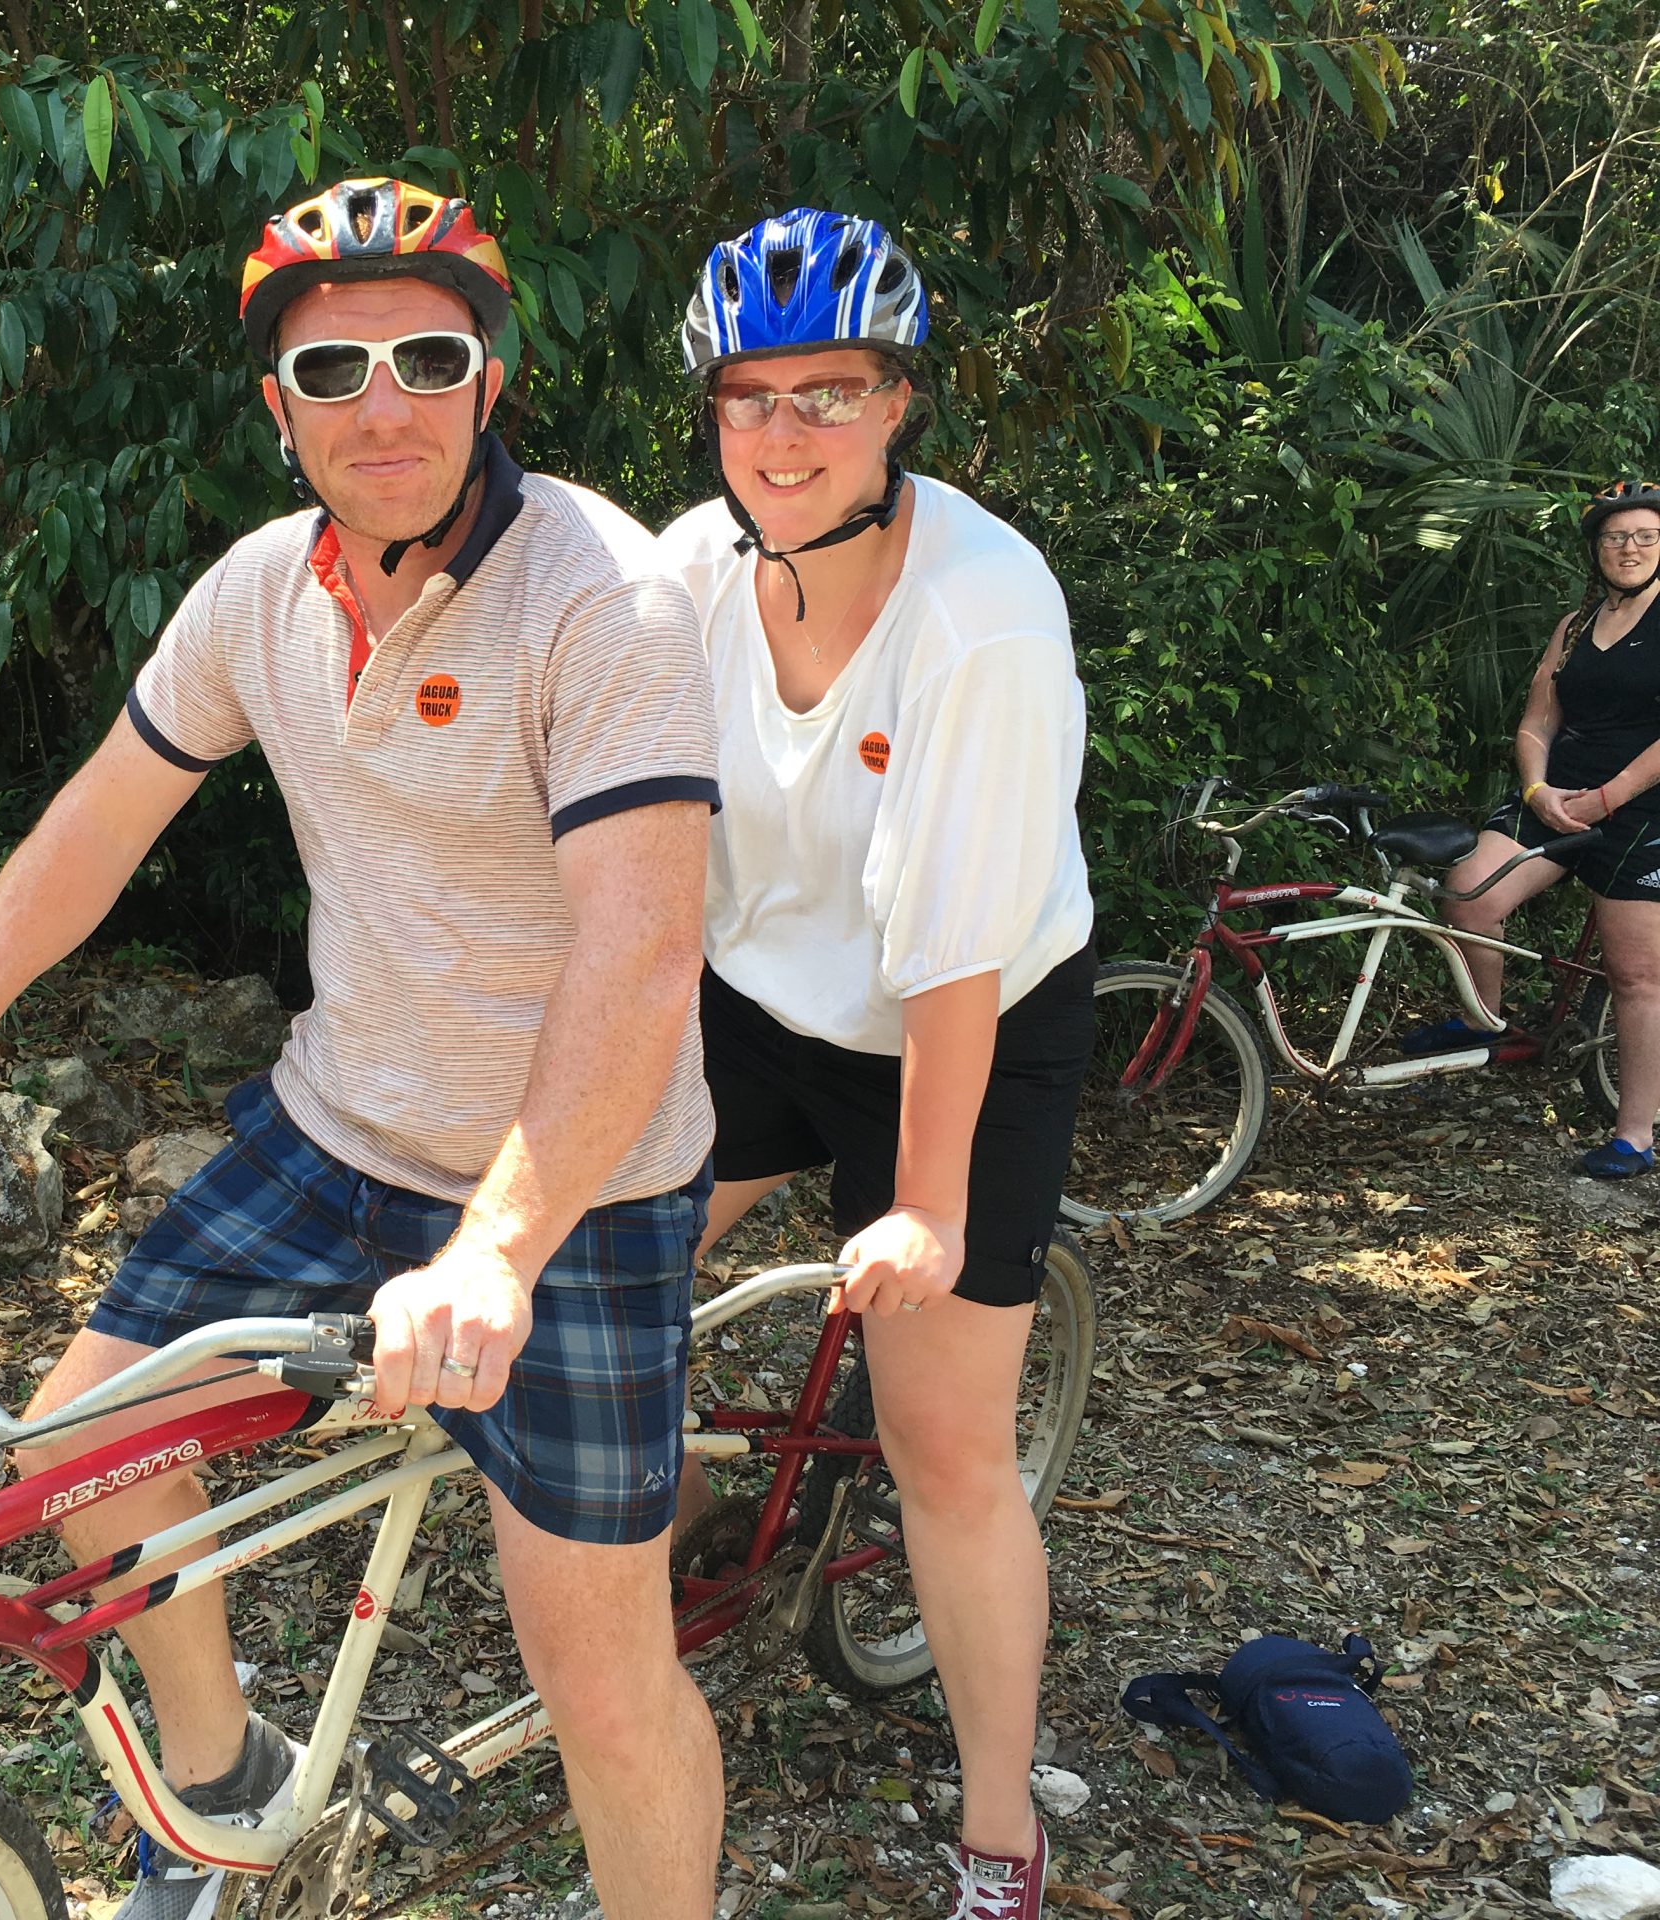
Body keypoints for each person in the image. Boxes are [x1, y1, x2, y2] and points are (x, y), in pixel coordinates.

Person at [0, 177, 731, 1920]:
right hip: (340, 1129)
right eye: (334, 372)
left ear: (489, 379)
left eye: (423, 356)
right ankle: (225, 1788)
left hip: (580, 1188)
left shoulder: (600, 600)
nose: (380, 403)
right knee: (73, 1458)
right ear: (278, 408)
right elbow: (103, 816)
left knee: (600, 1680)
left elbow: (640, 954)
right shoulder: (260, 593)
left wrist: (498, 1250)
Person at [656, 208, 1097, 1920]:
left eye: (826, 395)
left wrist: (920, 1209)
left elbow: (955, 951)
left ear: (901, 403)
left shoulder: (981, 614)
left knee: (942, 1449)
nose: (782, 437)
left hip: (967, 1002)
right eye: (748, 398)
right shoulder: (693, 573)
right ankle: (688, 1499)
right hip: (762, 992)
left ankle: (1003, 1833)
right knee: (594, 1281)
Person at [1409, 480, 1660, 1177]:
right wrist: (1538, 788)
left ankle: (1634, 1135)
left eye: (1644, 535)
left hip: (1641, 809)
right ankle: (1484, 1020)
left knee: (1636, 976)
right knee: (1467, 893)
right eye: (1615, 536)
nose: (1629, 547)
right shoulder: (1575, 625)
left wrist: (1608, 797)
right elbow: (1537, 721)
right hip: (1558, 796)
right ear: (1596, 548)